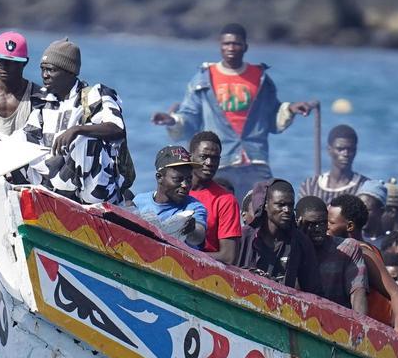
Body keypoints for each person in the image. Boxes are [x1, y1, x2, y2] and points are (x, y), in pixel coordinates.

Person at [151, 23, 312, 200]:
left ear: (245, 47)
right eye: (226, 44)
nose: (231, 48)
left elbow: (272, 117)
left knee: (265, 206)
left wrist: (290, 109)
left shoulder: (260, 77)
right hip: (218, 160)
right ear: (220, 46)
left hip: (255, 159)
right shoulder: (204, 77)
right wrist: (171, 120)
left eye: (236, 43)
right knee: (218, 210)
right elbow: (190, 118)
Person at [21, 39, 132, 204]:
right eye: (43, 69)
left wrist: (77, 130)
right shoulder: (43, 103)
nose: (45, 75)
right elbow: (26, 140)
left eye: (51, 70)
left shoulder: (96, 94)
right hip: (53, 187)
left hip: (97, 193)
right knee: (17, 144)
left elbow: (117, 129)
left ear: (70, 71)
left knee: (85, 139)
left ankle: (83, 205)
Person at [328, 194, 398, 342]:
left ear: (349, 226)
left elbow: (396, 294)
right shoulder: (336, 248)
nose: (325, 226)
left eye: (330, 222)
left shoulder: (365, 254)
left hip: (373, 332)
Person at [236, 180, 318, 293]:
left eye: (290, 205)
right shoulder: (243, 237)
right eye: (281, 205)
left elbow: (313, 290)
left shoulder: (300, 242)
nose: (287, 210)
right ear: (265, 205)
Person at [296, 196, 367, 313]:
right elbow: (292, 291)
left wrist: (361, 326)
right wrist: (299, 243)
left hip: (337, 322)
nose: (318, 229)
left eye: (323, 223)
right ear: (298, 223)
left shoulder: (347, 248)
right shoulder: (289, 248)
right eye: (311, 224)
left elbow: (358, 292)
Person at [133, 146, 208, 249]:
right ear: (159, 177)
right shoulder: (139, 202)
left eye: (189, 179)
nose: (185, 185)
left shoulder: (194, 208)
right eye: (178, 179)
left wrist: (190, 229)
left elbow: (198, 237)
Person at [187, 131, 241, 263]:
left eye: (215, 158)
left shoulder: (226, 200)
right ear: (190, 157)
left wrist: (184, 255)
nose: (209, 162)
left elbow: (228, 256)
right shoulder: (175, 191)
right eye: (203, 156)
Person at [299, 125, 370, 202]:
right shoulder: (310, 186)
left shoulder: (365, 188)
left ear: (355, 151)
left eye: (350, 149)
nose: (345, 154)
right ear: (329, 150)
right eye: (340, 149)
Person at [357, 179, 389, 248]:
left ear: (382, 211)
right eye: (358, 208)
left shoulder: (388, 244)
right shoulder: (349, 239)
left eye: (367, 210)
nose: (361, 214)